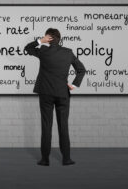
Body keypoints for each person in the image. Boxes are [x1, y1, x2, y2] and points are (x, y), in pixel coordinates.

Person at [24, 28, 86, 166]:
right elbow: (81, 69)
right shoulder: (68, 53)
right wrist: (74, 85)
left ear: (49, 38)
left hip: (45, 93)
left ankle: (45, 159)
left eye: (47, 37)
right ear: (60, 39)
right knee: (63, 126)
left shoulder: (44, 51)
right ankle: (67, 159)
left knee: (46, 126)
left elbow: (27, 48)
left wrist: (40, 41)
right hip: (62, 93)